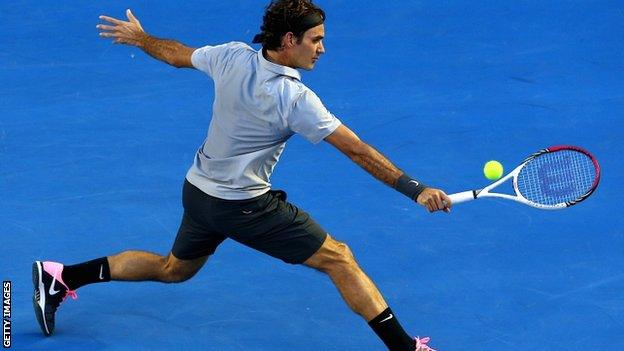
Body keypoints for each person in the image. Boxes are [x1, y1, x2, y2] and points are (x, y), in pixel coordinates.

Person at [32, 1, 451, 350]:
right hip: (243, 205)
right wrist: (415, 190)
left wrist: (141, 38)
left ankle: (62, 276)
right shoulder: (295, 97)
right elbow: (358, 151)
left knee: (173, 268)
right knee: (339, 258)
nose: (322, 49)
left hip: (197, 191)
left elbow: (177, 54)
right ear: (290, 41)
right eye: (316, 40)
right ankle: (406, 347)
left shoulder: (231, 55)